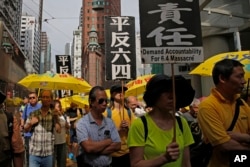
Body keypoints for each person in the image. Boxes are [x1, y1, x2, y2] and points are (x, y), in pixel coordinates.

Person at [127, 74, 195, 167]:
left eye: (174, 91)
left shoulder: (181, 123)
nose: (171, 96)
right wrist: (164, 158)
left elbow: (186, 163)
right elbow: (135, 164)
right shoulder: (140, 125)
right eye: (165, 91)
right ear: (155, 95)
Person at [197, 59, 250, 167]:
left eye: (243, 76)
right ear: (222, 78)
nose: (243, 81)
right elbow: (224, 145)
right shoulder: (208, 106)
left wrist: (243, 137)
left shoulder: (241, 103)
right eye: (239, 76)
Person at [76, 86, 121, 167]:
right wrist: (108, 141)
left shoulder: (110, 122)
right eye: (101, 101)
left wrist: (94, 149)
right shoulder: (82, 123)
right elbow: (88, 148)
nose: (104, 103)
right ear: (92, 102)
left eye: (106, 100)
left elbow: (117, 145)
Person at [24, 90, 59, 167]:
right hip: (34, 154)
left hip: (48, 154)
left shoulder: (53, 114)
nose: (45, 99)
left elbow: (58, 130)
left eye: (47, 97)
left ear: (51, 99)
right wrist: (30, 123)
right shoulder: (33, 113)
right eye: (43, 97)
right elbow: (25, 129)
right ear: (41, 99)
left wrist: (57, 118)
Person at [103, 84, 135, 167]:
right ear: (112, 94)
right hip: (112, 154)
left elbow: (134, 130)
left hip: (127, 152)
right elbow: (102, 133)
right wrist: (118, 130)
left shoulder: (128, 111)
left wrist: (128, 128)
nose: (121, 93)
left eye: (123, 91)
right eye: (118, 91)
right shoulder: (106, 112)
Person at [21, 91, 42, 167]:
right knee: (29, 154)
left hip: (38, 135)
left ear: (36, 98)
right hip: (28, 135)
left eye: (33, 97)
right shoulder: (26, 107)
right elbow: (23, 118)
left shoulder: (41, 106)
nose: (32, 99)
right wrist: (22, 125)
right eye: (30, 98)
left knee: (38, 154)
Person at [52, 100, 70, 167]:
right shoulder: (51, 116)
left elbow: (67, 127)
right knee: (52, 163)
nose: (59, 108)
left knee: (62, 163)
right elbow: (57, 129)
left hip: (62, 141)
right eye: (58, 106)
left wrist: (67, 125)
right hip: (53, 142)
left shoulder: (63, 115)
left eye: (60, 106)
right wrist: (55, 117)